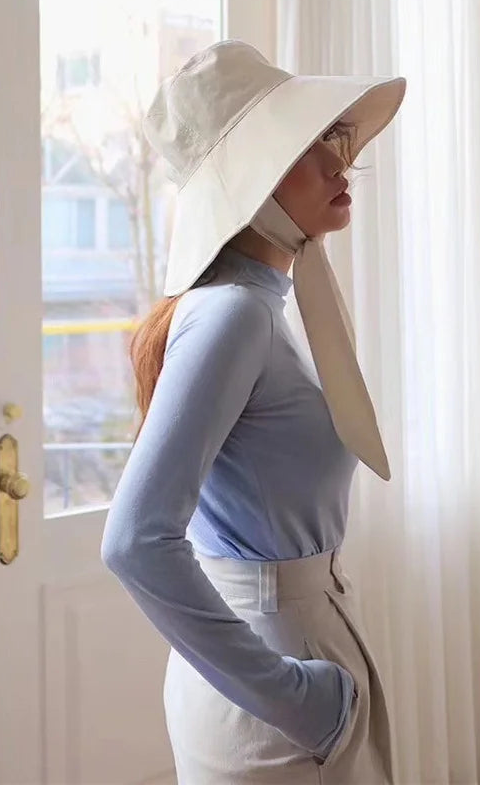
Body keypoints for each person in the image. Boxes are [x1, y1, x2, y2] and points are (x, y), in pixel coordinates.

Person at [100, 40, 406, 784]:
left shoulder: (259, 308)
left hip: (287, 654)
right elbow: (135, 541)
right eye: (306, 149)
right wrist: (302, 700)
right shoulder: (235, 314)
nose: (339, 165)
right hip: (274, 687)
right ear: (251, 184)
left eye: (331, 139)